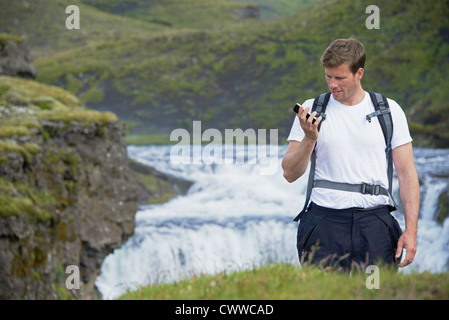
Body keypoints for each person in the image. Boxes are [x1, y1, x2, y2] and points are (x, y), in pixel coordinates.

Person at [282, 37, 419, 271]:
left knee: (377, 295)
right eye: (328, 76)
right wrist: (309, 138)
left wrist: (411, 231)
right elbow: (289, 173)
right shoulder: (312, 109)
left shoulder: (389, 110)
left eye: (339, 78)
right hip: (323, 224)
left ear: (359, 73)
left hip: (375, 225)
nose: (332, 84)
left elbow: (407, 174)